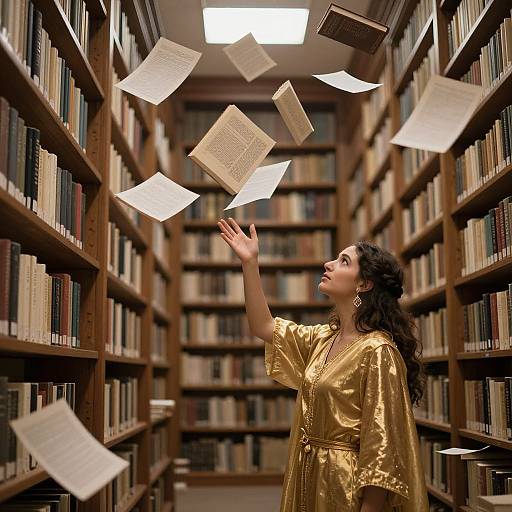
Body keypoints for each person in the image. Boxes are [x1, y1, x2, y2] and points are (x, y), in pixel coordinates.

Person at [217, 217, 430, 512]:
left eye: (343, 261)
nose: (328, 264)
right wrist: (250, 263)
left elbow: (382, 452)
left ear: (364, 284)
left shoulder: (378, 352)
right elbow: (263, 326)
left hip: (344, 487)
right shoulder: (323, 338)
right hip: (308, 475)